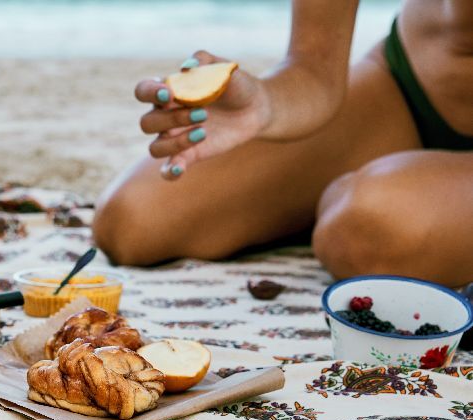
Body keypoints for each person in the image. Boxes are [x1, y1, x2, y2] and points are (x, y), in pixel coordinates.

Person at [94, 1, 473, 288]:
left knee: (363, 229)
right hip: (407, 86)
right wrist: (264, 104)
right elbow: (313, 68)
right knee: (133, 222)